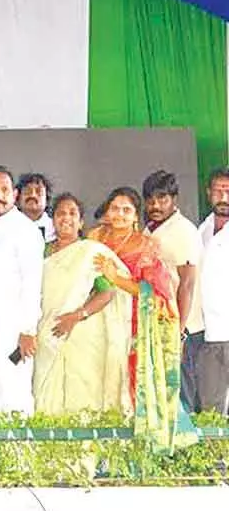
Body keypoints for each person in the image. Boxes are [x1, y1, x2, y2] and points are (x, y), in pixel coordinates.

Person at [91, 187, 195, 453]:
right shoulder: (94, 240)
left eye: (126, 210)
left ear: (135, 215)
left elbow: (157, 293)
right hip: (97, 323)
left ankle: (136, 454)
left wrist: (116, 278)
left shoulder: (146, 246)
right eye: (115, 208)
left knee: (130, 386)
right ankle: (101, 452)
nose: (120, 215)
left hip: (136, 326)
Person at [33, 193, 131, 414]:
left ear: (81, 222)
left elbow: (107, 292)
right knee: (44, 398)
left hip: (81, 335)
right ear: (52, 219)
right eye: (60, 213)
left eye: (72, 213)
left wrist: (77, 316)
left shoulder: (90, 252)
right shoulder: (40, 251)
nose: (66, 218)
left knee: (82, 400)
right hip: (46, 335)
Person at [0, 166, 43, 415]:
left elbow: (32, 283)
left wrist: (28, 331)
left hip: (13, 332)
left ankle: (21, 456)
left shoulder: (25, 230)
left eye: (4, 190)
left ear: (14, 194)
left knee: (15, 399)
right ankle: (4, 455)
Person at [141, 170, 203, 413]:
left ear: (174, 199)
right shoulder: (152, 229)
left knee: (181, 396)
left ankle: (188, 450)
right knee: (163, 396)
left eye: (162, 198)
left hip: (181, 329)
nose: (155, 205)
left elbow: (187, 283)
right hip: (158, 324)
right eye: (150, 199)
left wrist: (179, 332)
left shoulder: (183, 230)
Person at [197, 168, 229, 413]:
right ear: (209, 193)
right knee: (210, 408)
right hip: (208, 336)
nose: (223, 197)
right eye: (219, 190)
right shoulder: (202, 230)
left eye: (228, 191)